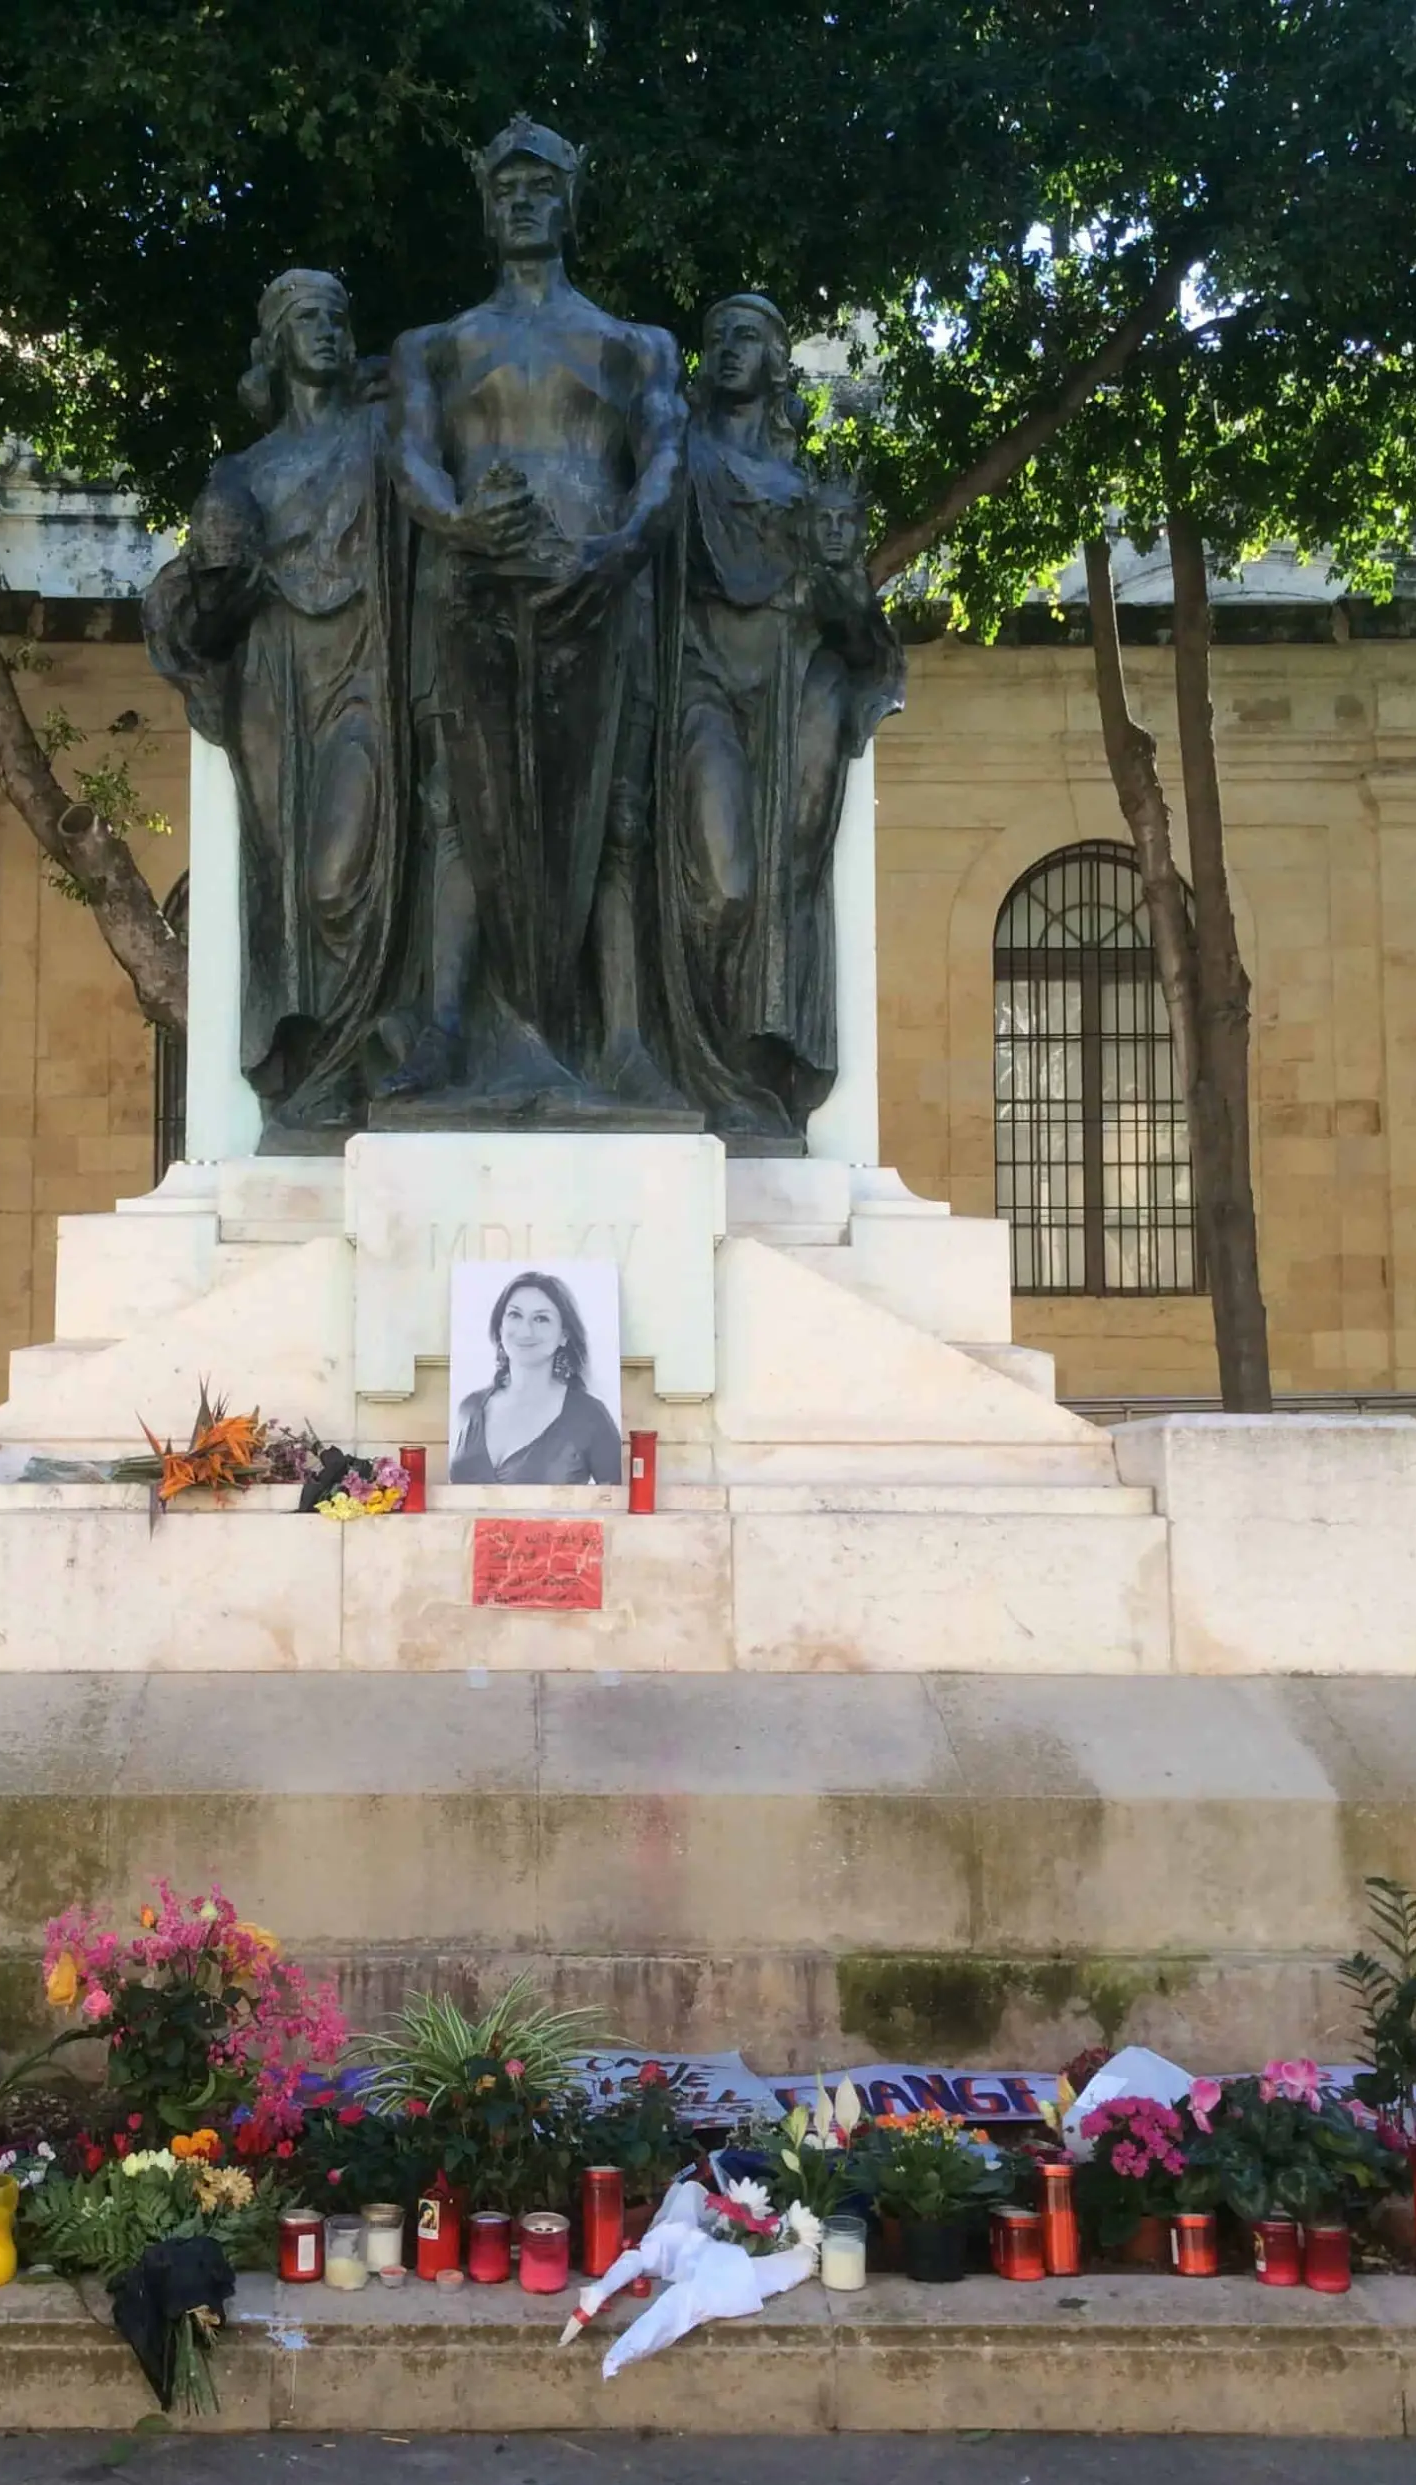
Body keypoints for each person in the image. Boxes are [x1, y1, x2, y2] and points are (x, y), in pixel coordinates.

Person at [381, 117, 686, 1115]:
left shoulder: (634, 348)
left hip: (599, 595)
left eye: (540, 187)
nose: (521, 202)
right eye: (504, 187)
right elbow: (414, 459)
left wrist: (617, 548)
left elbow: (663, 463)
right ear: (485, 206)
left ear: (568, 204)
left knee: (615, 821)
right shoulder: (431, 348)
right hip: (472, 591)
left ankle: (627, 1044)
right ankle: (444, 1031)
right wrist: (458, 520)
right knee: (456, 812)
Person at [144, 269, 403, 1141]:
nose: (326, 332)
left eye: (338, 317)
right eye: (306, 320)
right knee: (285, 876)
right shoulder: (242, 472)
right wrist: (223, 571)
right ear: (277, 344)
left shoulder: (385, 437)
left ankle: (362, 1051)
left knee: (344, 874)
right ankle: (312, 1078)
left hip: (365, 670)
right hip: (272, 680)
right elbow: (214, 614)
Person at [662, 293, 904, 1142]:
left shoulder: (808, 492)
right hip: (703, 689)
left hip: (794, 691)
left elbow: (854, 623)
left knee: (785, 879)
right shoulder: (676, 458)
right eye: (717, 338)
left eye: (748, 339)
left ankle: (757, 1071)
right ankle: (700, 1066)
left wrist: (839, 585)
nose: (729, 350)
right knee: (724, 881)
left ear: (775, 362)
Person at [450, 1270, 623, 1485]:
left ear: (564, 1335)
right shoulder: (469, 1408)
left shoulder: (591, 1417)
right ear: (500, 1326)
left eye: (541, 1319)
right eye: (515, 1315)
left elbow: (617, 1507)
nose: (525, 1330)